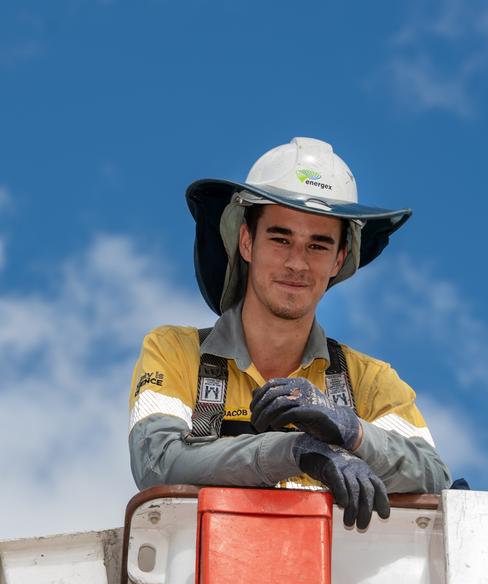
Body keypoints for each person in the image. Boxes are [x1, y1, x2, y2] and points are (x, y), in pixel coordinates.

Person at [128, 137, 451, 530]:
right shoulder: (175, 352)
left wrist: (352, 431)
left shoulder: (371, 380)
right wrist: (299, 450)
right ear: (246, 242)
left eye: (318, 245)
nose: (297, 263)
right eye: (280, 239)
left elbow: (435, 477)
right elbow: (156, 461)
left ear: (339, 259)